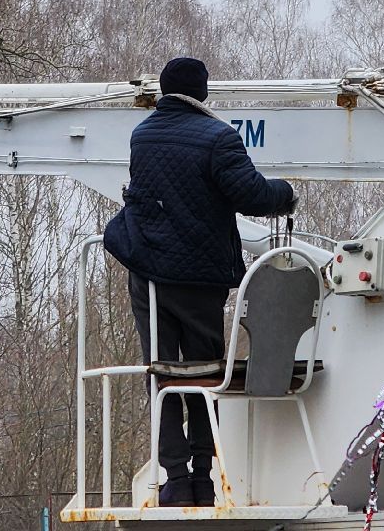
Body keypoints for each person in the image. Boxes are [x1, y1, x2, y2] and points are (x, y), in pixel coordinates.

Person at [103, 56, 296, 507]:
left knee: (162, 374)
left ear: (164, 90)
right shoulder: (218, 139)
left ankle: (174, 479)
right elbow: (252, 196)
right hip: (198, 280)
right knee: (204, 376)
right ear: (202, 92)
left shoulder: (142, 135)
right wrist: (285, 193)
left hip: (147, 275)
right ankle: (204, 476)